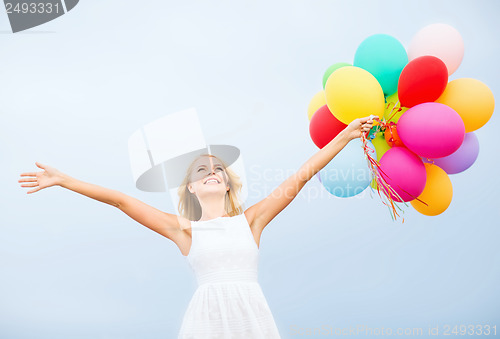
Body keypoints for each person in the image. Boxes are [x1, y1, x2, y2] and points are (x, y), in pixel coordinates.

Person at [18, 116, 373, 338]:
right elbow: (120, 200)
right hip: (206, 320)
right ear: (190, 187)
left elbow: (302, 175)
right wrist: (65, 180)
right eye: (201, 171)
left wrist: (344, 136)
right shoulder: (184, 230)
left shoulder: (252, 221)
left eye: (217, 169)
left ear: (229, 183)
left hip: (252, 318)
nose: (212, 173)